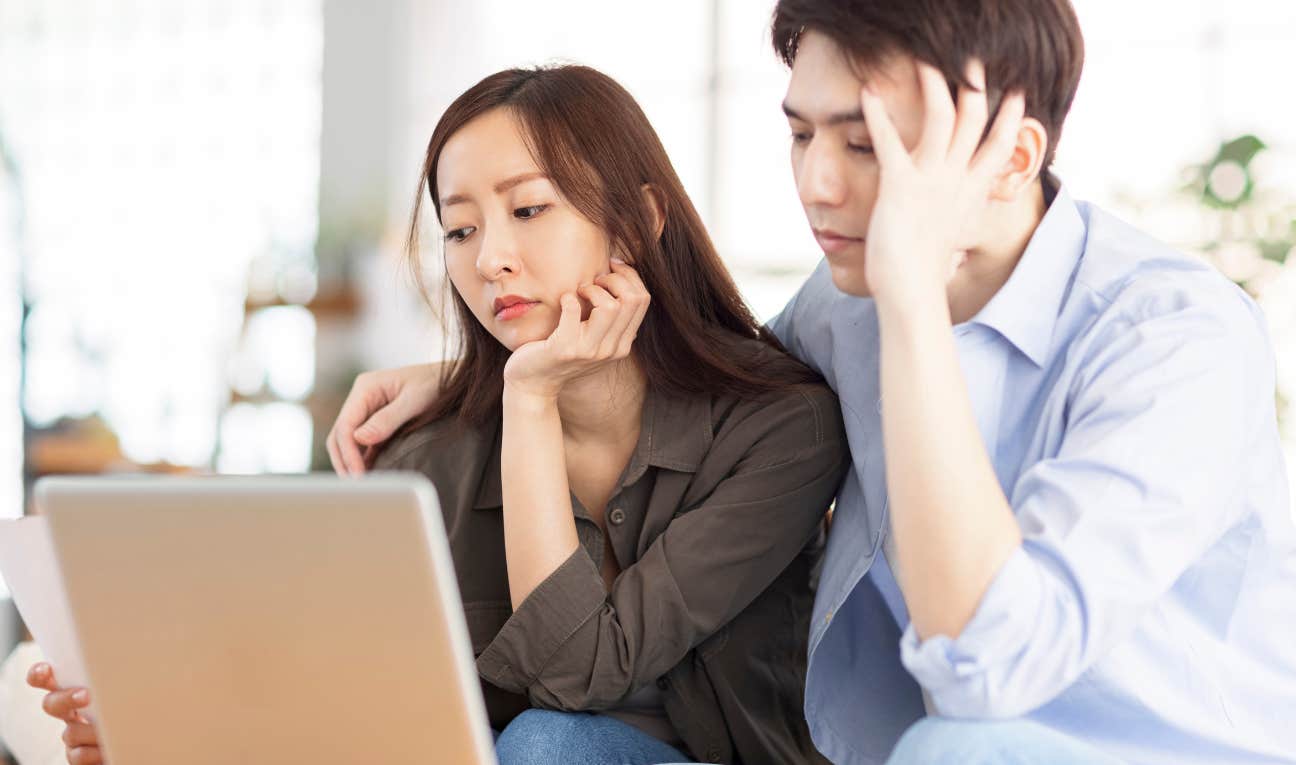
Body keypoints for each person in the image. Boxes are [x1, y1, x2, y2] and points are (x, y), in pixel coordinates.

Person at [323, 1, 1296, 763]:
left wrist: (911, 300)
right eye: (801, 132)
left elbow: (987, 671)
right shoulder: (840, 305)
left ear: (1009, 157)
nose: (817, 183)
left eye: (864, 143)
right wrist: (477, 373)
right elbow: (712, 374)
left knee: (957, 752)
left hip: (1167, 752)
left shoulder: (1175, 340)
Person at [28, 64, 851, 765]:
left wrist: (528, 397)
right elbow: (350, 701)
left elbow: (577, 673)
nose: (489, 258)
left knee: (550, 743)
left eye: (529, 210)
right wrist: (169, 728)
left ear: (637, 223)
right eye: (460, 228)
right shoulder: (428, 456)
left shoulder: (783, 429)